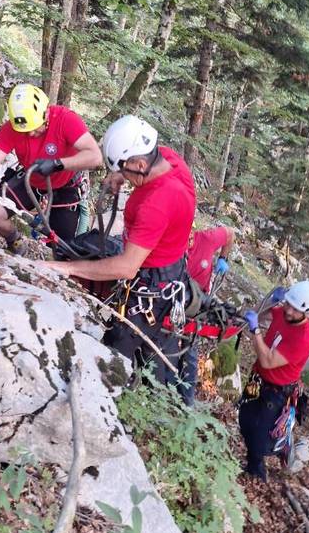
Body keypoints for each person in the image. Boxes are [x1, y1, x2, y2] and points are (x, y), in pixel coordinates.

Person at [44, 114, 197, 384]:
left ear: (140, 164)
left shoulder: (158, 203)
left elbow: (126, 267)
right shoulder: (168, 158)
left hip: (152, 287)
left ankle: (113, 397)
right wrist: (119, 173)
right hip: (168, 268)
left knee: (114, 359)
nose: (124, 175)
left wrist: (65, 268)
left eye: (125, 170)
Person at [0, 84, 103, 254]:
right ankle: (14, 240)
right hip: (31, 180)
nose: (30, 134)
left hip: (64, 186)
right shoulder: (13, 128)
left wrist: (57, 164)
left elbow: (95, 157)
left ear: (45, 113)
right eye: (25, 130)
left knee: (62, 248)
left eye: (34, 128)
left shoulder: (66, 120)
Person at [238, 280, 309, 481]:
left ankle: (261, 469)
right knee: (245, 420)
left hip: (277, 392)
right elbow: (257, 313)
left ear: (307, 312)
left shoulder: (304, 338)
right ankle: (254, 466)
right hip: (258, 380)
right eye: (288, 304)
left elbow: (267, 361)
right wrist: (268, 302)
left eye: (295, 309)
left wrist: (255, 331)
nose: (289, 311)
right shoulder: (284, 312)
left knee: (262, 439)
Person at [174, 224, 235, 405]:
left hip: (199, 301)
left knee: (190, 348)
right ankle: (166, 386)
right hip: (174, 296)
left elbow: (230, 233)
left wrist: (223, 258)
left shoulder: (207, 240)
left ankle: (186, 400)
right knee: (167, 342)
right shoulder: (173, 244)